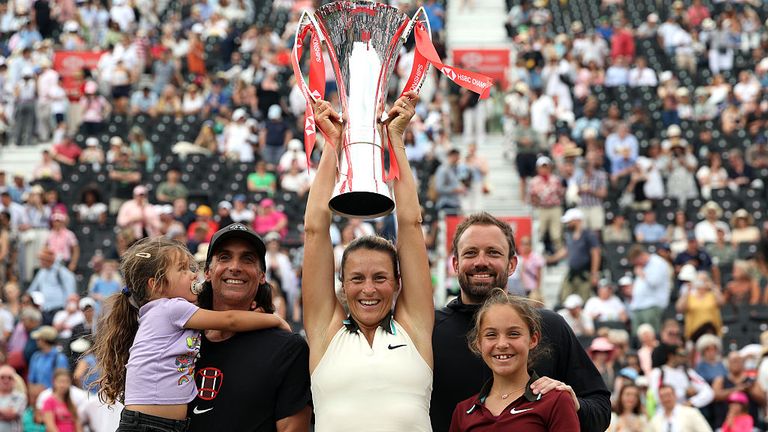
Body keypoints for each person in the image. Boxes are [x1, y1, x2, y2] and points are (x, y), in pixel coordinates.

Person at [303, 92, 434, 431]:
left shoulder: (415, 327)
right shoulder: (325, 332)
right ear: (343, 284)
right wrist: (332, 144)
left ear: (398, 283)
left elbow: (410, 224)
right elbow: (315, 230)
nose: (368, 289)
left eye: (380, 277)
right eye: (357, 278)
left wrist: (396, 140)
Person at [432, 212, 611, 432]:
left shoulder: (549, 326)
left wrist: (571, 403)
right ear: (455, 264)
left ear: (512, 264)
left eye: (493, 252)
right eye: (471, 253)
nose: (481, 262)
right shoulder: (431, 331)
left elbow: (601, 410)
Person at [91, 237, 289, 431]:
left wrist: (253, 315)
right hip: (149, 425)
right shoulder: (172, 309)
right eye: (182, 269)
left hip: (163, 425)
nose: (193, 275)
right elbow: (230, 320)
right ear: (157, 284)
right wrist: (274, 320)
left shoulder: (166, 311)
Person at [188, 223, 312, 431]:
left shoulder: (288, 349)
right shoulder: (178, 339)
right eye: (224, 257)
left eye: (247, 259)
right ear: (208, 272)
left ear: (262, 275)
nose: (235, 267)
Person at [449, 289, 579, 431]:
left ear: (533, 339)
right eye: (491, 335)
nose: (502, 344)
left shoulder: (556, 401)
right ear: (479, 343)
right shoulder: (463, 412)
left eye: (513, 334)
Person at [0, 364, 26, 431]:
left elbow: (12, 414)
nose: (6, 380)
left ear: (14, 381)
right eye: (2, 377)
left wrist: (8, 413)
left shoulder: (20, 397)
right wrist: (5, 412)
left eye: (9, 378)